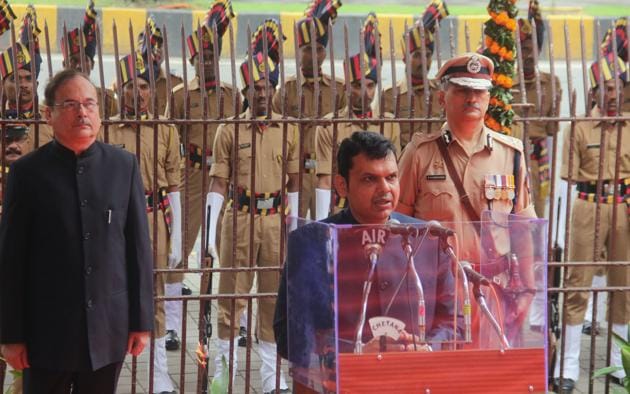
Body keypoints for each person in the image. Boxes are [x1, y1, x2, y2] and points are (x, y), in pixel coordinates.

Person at [0, 68, 154, 393]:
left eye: (89, 104)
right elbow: (11, 261)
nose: (82, 112)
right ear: (48, 114)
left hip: (108, 329)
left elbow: (138, 250)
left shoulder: (123, 167)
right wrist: (11, 335)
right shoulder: (27, 174)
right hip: (46, 334)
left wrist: (141, 322)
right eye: (70, 104)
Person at [275, 131, 459, 391]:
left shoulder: (426, 238)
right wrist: (355, 352)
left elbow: (454, 322)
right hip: (339, 384)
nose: (385, 189)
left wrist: (426, 347)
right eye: (369, 179)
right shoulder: (311, 243)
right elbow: (288, 335)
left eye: (391, 177)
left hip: (413, 382)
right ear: (342, 185)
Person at [396, 53, 537, 347]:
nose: (471, 98)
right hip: (436, 291)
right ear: (442, 98)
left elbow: (522, 228)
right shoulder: (420, 153)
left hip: (491, 291)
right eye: (461, 90)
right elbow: (397, 226)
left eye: (479, 91)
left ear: (488, 98)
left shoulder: (510, 154)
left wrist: (527, 290)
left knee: (488, 378)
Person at [207, 20, 298, 394]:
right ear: (245, 90)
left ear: (274, 89)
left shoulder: (288, 128)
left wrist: (295, 230)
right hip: (240, 218)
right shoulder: (229, 130)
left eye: (267, 87)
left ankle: (270, 378)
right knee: (232, 296)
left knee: (272, 300)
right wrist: (213, 230)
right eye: (255, 88)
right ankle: (222, 373)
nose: (261, 94)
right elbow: (217, 182)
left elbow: (294, 185)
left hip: (276, 219)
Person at [165, 0, 241, 351]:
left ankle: (226, 324)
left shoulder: (233, 95)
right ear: (194, 60)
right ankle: (172, 327)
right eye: (202, 57)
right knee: (179, 250)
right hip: (193, 175)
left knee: (224, 251)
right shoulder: (181, 97)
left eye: (212, 56)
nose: (207, 62)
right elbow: (168, 138)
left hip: (224, 179)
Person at [553, 53, 630, 394]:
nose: (613, 95)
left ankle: (619, 364)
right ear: (595, 92)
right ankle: (568, 367)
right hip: (587, 205)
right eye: (606, 89)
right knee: (577, 282)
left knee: (622, 286)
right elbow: (570, 173)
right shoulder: (580, 127)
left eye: (618, 88)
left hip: (625, 206)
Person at [109, 52, 183, 394]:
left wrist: (178, 235)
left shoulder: (164, 129)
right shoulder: (106, 128)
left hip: (154, 218)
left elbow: (174, 184)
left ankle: (159, 376)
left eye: (143, 86)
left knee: (152, 298)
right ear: (119, 90)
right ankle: (107, 373)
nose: (137, 94)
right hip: (116, 220)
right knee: (112, 295)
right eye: (130, 87)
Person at [314, 13, 401, 220]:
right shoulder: (329, 126)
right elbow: (325, 180)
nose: (364, 92)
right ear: (346, 88)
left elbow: (394, 177)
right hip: (342, 209)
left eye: (370, 86)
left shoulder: (389, 124)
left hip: (379, 210)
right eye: (357, 86)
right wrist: (321, 223)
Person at [272, 0, 347, 219]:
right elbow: (275, 129)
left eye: (319, 49)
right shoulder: (287, 90)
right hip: (297, 173)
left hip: (327, 173)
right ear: (298, 51)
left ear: (325, 53)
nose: (314, 54)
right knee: (292, 229)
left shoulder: (339, 89)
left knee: (326, 232)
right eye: (307, 49)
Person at [511, 0, 562, 219]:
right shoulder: (503, 84)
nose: (529, 54)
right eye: (524, 49)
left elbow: (552, 131)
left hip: (538, 159)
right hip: (510, 158)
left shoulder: (552, 84)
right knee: (509, 214)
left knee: (538, 215)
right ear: (516, 51)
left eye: (533, 48)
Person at [381, 0, 448, 148]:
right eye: (417, 55)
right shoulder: (390, 95)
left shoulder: (442, 91)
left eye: (428, 55)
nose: (423, 61)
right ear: (405, 58)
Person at [0, 6, 54, 148]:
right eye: (15, 79)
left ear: (36, 84)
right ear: (2, 85)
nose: (23, 84)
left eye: (28, 79)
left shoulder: (51, 118)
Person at [60, 0, 118, 119]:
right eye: (73, 60)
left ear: (92, 64)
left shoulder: (108, 101)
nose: (79, 66)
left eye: (84, 59)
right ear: (64, 64)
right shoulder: (54, 98)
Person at [136, 15, 183, 117]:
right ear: (139, 51)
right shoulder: (127, 82)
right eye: (150, 45)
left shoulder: (176, 84)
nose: (157, 49)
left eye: (160, 45)